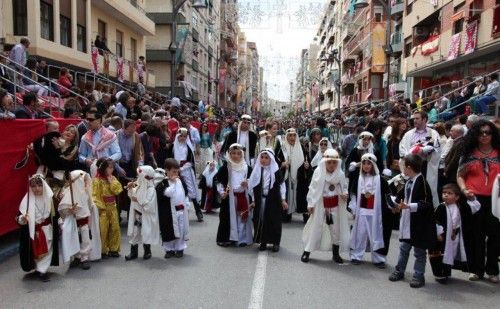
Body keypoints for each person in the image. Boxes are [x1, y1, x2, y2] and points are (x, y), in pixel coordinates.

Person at [457, 120, 500, 283]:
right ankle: (476, 269)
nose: (484, 136)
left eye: (488, 132)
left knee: (496, 235)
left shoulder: (498, 153)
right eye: (481, 132)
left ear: (493, 134)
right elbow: (460, 175)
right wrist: (464, 190)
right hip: (473, 199)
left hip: (496, 200)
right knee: (476, 235)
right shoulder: (468, 154)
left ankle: (492, 269)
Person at [388, 154, 435, 288]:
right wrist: (395, 205)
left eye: (403, 166)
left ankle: (418, 276)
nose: (401, 168)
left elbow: (427, 203)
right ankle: (399, 270)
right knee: (404, 248)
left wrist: (409, 206)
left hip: (419, 224)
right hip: (407, 221)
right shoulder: (409, 181)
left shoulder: (423, 183)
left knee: (419, 252)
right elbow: (400, 197)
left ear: (409, 167)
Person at [301, 149, 349, 264]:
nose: (332, 165)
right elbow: (312, 189)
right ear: (324, 162)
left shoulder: (340, 174)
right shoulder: (318, 172)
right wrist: (310, 204)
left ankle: (335, 253)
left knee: (334, 228)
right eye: (329, 162)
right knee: (316, 227)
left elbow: (345, 187)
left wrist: (345, 194)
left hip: (333, 206)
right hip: (321, 205)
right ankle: (307, 251)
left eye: (334, 162)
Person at [348, 154, 392, 268]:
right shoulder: (358, 179)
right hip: (362, 211)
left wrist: (393, 205)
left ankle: (378, 259)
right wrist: (353, 208)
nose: (366, 166)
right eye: (364, 164)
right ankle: (356, 256)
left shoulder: (381, 180)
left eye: (369, 164)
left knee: (376, 234)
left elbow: (388, 196)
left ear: (373, 165)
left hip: (375, 212)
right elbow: (353, 195)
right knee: (360, 234)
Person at [16, 174, 59, 282]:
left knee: (48, 250)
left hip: (46, 229)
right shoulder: (27, 200)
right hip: (33, 230)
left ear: (43, 186)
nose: (37, 189)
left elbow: (54, 214)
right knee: (36, 251)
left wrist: (59, 223)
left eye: (39, 186)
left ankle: (42, 271)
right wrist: (23, 218)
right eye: (34, 186)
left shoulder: (49, 198)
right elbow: (19, 217)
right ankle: (38, 268)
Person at [429, 183, 471, 284]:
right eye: (444, 193)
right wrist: (438, 234)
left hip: (452, 237)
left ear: (457, 197)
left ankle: (446, 272)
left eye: (449, 193)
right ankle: (439, 274)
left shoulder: (457, 208)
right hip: (441, 237)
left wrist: (454, 232)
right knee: (438, 255)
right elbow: (435, 222)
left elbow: (457, 221)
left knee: (449, 255)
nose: (446, 195)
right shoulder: (441, 207)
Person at [58, 171, 101, 269]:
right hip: (73, 222)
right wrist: (69, 210)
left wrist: (92, 208)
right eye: (84, 181)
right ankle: (77, 257)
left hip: (84, 221)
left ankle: (84, 257)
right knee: (75, 239)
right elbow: (62, 209)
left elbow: (90, 205)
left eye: (86, 181)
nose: (86, 184)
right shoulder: (67, 192)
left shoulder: (85, 192)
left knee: (85, 239)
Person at [399, 111, 441, 206]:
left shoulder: (433, 133)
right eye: (413, 118)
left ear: (424, 119)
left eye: (417, 118)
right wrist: (409, 153)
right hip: (411, 166)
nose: (414, 120)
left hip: (426, 166)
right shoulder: (408, 134)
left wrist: (423, 150)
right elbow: (402, 148)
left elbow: (437, 148)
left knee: (426, 190)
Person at [214, 143, 253, 247]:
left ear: (242, 155)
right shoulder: (225, 168)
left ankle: (241, 239)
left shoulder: (246, 168)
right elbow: (218, 181)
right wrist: (222, 192)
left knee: (242, 218)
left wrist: (247, 182)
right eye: (233, 153)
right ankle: (226, 238)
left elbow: (253, 180)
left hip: (242, 196)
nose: (235, 156)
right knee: (227, 218)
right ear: (229, 154)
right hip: (229, 198)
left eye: (238, 154)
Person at [249, 149, 287, 252]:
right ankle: (263, 241)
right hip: (260, 200)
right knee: (261, 220)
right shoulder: (257, 170)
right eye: (262, 157)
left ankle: (275, 242)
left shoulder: (276, 171)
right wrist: (253, 200)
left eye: (266, 158)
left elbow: (282, 185)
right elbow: (252, 186)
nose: (263, 160)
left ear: (271, 159)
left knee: (274, 220)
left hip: (274, 200)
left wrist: (283, 200)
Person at [167, 127, 203, 222]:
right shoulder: (172, 147)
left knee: (191, 190)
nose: (183, 138)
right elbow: (169, 159)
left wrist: (182, 168)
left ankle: (198, 212)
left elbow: (190, 160)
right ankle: (174, 213)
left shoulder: (188, 147)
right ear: (178, 136)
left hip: (186, 171)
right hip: (174, 171)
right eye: (181, 136)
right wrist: (175, 169)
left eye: (185, 136)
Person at [125, 166, 161, 261]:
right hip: (136, 214)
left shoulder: (151, 190)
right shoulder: (139, 185)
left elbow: (149, 205)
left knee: (146, 232)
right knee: (135, 233)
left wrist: (138, 200)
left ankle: (147, 251)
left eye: (139, 176)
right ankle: (133, 252)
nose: (138, 177)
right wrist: (130, 188)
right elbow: (132, 195)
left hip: (145, 215)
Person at [158, 159, 191, 258]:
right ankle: (169, 249)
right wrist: (171, 183)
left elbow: (185, 193)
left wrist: (186, 203)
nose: (176, 174)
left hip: (180, 211)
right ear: (166, 171)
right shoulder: (163, 183)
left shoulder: (180, 181)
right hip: (168, 213)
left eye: (177, 171)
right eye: (173, 171)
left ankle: (180, 248)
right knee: (168, 231)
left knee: (180, 230)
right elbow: (166, 194)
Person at [92, 158, 123, 258]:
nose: (112, 170)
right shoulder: (97, 180)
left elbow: (118, 190)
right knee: (103, 229)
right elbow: (95, 196)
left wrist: (111, 182)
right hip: (103, 209)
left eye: (112, 168)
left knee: (115, 228)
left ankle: (114, 249)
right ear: (104, 168)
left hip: (112, 207)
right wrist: (101, 207)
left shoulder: (112, 178)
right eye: (109, 168)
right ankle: (103, 250)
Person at [116, 119, 144, 220]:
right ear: (124, 128)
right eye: (130, 130)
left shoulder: (136, 136)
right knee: (119, 192)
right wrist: (117, 168)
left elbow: (139, 152)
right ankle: (117, 215)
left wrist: (140, 166)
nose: (132, 132)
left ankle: (131, 217)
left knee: (131, 191)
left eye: (134, 129)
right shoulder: (116, 135)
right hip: (118, 165)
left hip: (130, 166)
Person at [275, 128, 304, 222]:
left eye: (294, 135)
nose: (292, 138)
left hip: (297, 176)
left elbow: (305, 161)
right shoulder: (282, 148)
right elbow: (276, 160)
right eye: (290, 136)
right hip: (286, 175)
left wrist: (305, 166)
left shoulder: (301, 147)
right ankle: (286, 214)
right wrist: (283, 164)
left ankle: (294, 211)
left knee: (296, 194)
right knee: (286, 194)